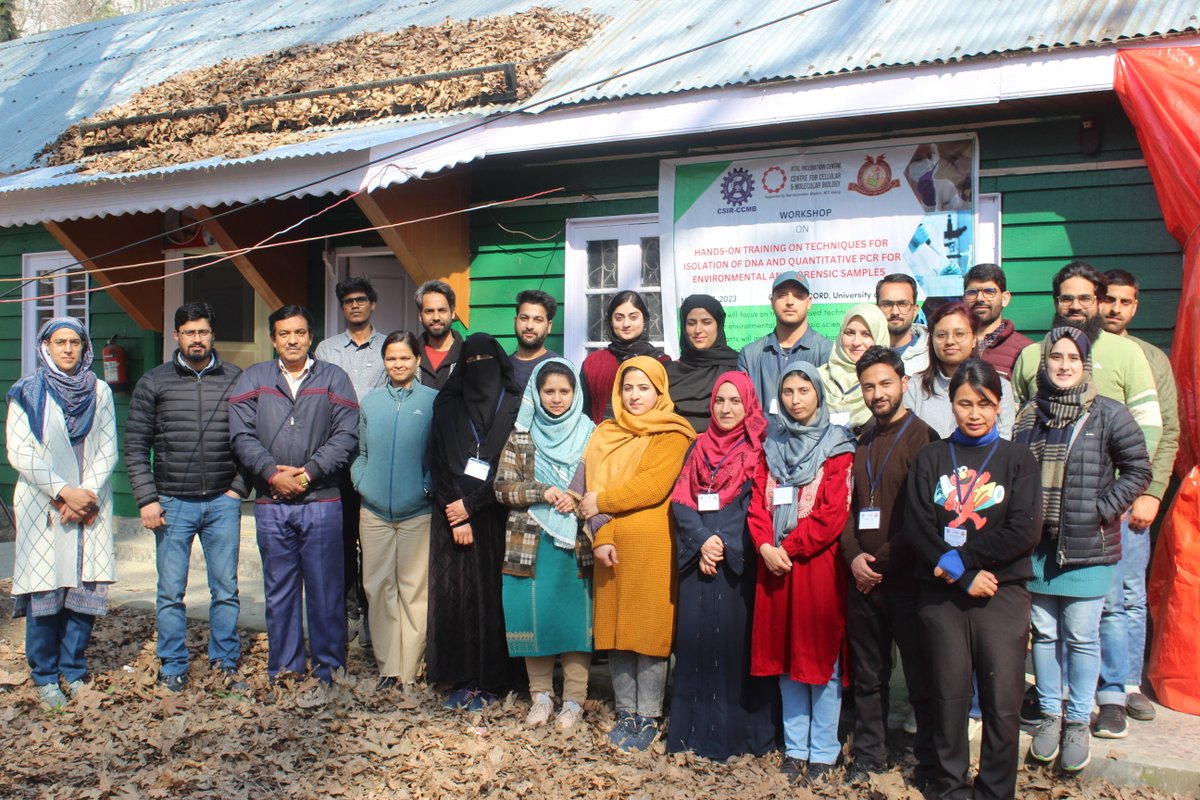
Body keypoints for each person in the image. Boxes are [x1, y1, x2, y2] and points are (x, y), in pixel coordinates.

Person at [1013, 329, 1151, 773]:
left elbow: (1137, 468)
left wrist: (1101, 510)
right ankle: (1051, 715)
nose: (1065, 365)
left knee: (1081, 635)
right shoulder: (1028, 415)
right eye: (1056, 356)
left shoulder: (1108, 413)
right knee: (1046, 635)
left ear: (1086, 364)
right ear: (1045, 363)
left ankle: (1078, 718)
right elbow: (1015, 473)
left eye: (1074, 357)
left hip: (1088, 546)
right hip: (1039, 548)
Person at [905, 359, 1042, 800]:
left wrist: (966, 560)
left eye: (984, 403)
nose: (975, 412)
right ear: (952, 404)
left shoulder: (1017, 459)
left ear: (999, 405)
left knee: (1003, 700)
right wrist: (961, 575)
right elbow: (918, 525)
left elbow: (1023, 529)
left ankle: (995, 790)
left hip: (1001, 592)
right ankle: (949, 786)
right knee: (948, 695)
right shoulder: (931, 457)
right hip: (943, 592)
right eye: (965, 403)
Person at [229, 305, 359, 683]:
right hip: (272, 503)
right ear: (273, 338)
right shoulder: (254, 378)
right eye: (284, 333)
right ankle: (285, 666)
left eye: (299, 332)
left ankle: (329, 667)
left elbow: (346, 435)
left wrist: (308, 474)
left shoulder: (334, 378)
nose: (292, 340)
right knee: (280, 590)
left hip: (321, 500)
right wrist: (271, 473)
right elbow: (241, 435)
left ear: (311, 337)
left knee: (325, 590)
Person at [124, 302, 249, 693]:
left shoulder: (235, 379)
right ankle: (174, 664)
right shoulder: (154, 382)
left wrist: (238, 490)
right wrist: (147, 498)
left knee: (225, 589)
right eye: (190, 332)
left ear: (213, 335)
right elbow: (134, 445)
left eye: (204, 332)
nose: (198, 339)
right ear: (177, 336)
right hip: (172, 503)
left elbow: (251, 439)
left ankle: (224, 661)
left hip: (221, 502)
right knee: (170, 591)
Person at [578, 356, 694, 751]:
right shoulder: (605, 433)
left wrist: (602, 501)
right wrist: (602, 534)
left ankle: (648, 715)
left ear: (660, 391)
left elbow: (652, 487)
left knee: (648, 633)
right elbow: (589, 488)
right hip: (609, 544)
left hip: (653, 546)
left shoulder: (673, 433)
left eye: (644, 388)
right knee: (616, 633)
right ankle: (626, 710)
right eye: (627, 388)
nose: (635, 396)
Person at [748, 362, 856, 785]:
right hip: (774, 566)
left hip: (815, 568)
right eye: (788, 392)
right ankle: (795, 748)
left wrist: (786, 548)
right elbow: (758, 502)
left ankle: (824, 750)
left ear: (818, 393)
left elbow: (831, 514)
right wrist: (764, 546)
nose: (795, 400)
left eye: (804, 391)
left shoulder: (837, 445)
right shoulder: (770, 443)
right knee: (785, 659)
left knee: (819, 658)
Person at [667, 371, 780, 761]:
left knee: (736, 646)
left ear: (748, 403)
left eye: (735, 401)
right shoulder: (697, 447)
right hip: (699, 559)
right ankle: (692, 734)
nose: (727, 409)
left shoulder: (759, 448)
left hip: (737, 563)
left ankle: (737, 736)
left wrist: (723, 542)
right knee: (695, 644)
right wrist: (701, 540)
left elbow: (757, 502)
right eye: (720, 401)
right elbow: (680, 500)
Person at [841, 347, 940, 788]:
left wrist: (880, 560)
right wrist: (853, 557)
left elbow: (925, 517)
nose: (877, 393)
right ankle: (869, 755)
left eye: (884, 383)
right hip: (863, 580)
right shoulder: (860, 438)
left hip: (906, 579)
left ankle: (930, 762)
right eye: (868, 386)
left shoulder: (925, 439)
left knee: (920, 676)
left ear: (902, 382)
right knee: (868, 674)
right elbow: (849, 509)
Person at [6, 317, 117, 709]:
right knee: (45, 591)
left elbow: (108, 447)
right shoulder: (27, 392)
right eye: (60, 342)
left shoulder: (98, 391)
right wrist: (64, 492)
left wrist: (86, 495)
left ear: (84, 348)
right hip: (44, 505)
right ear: (46, 347)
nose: (68, 349)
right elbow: (20, 452)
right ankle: (45, 675)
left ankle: (74, 669)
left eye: (75, 342)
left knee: (82, 591)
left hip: (89, 505)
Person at [1097, 269, 1180, 726]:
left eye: (1123, 302)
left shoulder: (1149, 358)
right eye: (1106, 299)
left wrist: (1151, 493)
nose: (1113, 309)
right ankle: (1086, 682)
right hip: (1082, 501)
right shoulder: (1073, 350)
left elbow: (1167, 432)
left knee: (1127, 594)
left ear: (1135, 307)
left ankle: (1126, 683)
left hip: (1131, 500)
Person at [495, 359, 595, 730]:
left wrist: (576, 495)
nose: (556, 399)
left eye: (564, 392)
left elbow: (602, 482)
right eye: (548, 391)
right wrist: (542, 491)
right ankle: (540, 696)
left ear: (576, 393)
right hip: (529, 541)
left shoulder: (591, 433)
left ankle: (573, 700)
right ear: (536, 393)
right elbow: (502, 487)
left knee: (575, 621)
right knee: (532, 616)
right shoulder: (522, 433)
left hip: (577, 541)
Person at [426, 333, 523, 710]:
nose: (478, 369)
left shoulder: (515, 406)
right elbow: (436, 460)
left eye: (486, 360)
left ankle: (494, 679)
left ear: (500, 365)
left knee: (495, 599)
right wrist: (456, 509)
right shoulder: (447, 405)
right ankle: (463, 677)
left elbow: (514, 464)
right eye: (470, 361)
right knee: (458, 599)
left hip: (497, 516)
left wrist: (474, 504)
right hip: (451, 519)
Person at [351, 330, 437, 692]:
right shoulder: (370, 403)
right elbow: (361, 453)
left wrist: (426, 487)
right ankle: (388, 666)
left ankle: (410, 667)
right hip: (374, 513)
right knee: (378, 586)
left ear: (418, 361)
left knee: (413, 590)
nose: (398, 364)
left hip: (417, 512)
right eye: (391, 358)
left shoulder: (433, 401)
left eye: (405, 357)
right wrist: (362, 482)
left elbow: (438, 454)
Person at [1010, 261, 1161, 462]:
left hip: (1106, 484)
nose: (1075, 306)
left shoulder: (1127, 352)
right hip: (1037, 482)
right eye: (1067, 299)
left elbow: (1148, 424)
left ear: (1099, 302)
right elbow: (1013, 420)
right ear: (1056, 303)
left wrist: (1125, 482)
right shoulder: (1030, 355)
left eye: (1085, 299)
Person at [316, 276, 387, 650]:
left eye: (361, 300)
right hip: (339, 455)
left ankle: (372, 610)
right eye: (348, 302)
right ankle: (349, 610)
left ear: (373, 303)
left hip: (377, 455)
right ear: (342, 308)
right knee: (342, 538)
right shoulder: (327, 350)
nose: (355, 306)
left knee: (371, 537)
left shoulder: (389, 346)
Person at [904, 300, 1016, 438]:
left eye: (959, 334)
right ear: (931, 340)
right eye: (941, 335)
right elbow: (909, 439)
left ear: (974, 339)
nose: (950, 341)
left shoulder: (1000, 386)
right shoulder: (915, 386)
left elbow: (1003, 438)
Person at [738, 271, 833, 428]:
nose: (790, 301)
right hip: (761, 447)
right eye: (782, 295)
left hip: (811, 447)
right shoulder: (750, 355)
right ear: (772, 301)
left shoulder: (827, 351)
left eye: (798, 295)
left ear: (809, 302)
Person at [579, 290, 669, 423]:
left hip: (648, 440)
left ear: (644, 320)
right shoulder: (594, 363)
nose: (626, 324)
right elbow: (583, 412)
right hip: (602, 439)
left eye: (633, 317)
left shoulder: (660, 362)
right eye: (619, 318)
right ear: (610, 321)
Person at [665, 294, 740, 433]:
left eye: (706, 322)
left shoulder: (738, 367)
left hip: (724, 449)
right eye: (691, 323)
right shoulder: (668, 372)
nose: (698, 330)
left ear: (718, 324)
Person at [817, 303, 890, 430]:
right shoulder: (817, 378)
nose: (856, 342)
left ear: (880, 336)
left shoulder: (890, 383)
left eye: (866, 334)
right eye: (850, 333)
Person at [963, 263, 1032, 380]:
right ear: (964, 298)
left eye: (989, 292)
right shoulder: (952, 344)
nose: (980, 298)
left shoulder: (1025, 350)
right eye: (972, 292)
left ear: (1005, 298)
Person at [414, 279, 464, 390]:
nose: (436, 317)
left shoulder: (467, 355)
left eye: (442, 310)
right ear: (420, 316)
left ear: (453, 313)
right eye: (429, 311)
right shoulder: (410, 355)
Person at [876, 273, 929, 375]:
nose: (895, 312)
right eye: (887, 304)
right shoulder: (862, 351)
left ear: (915, 310)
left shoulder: (933, 354)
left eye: (903, 304)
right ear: (877, 309)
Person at [509, 290, 560, 390]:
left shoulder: (561, 368)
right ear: (515, 322)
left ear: (549, 326)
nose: (529, 326)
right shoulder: (501, 368)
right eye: (524, 318)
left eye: (538, 320)